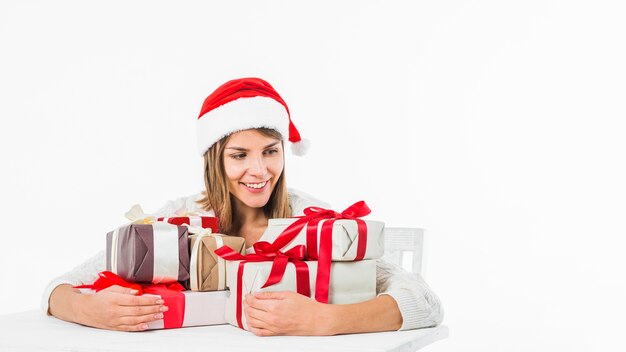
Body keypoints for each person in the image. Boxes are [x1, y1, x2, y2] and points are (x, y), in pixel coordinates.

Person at [43, 77, 444, 336]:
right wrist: (89, 308)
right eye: (239, 155)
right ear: (215, 159)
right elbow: (56, 288)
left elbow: (425, 303)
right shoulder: (176, 220)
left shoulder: (314, 222)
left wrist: (321, 320)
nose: (258, 170)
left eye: (271, 152)